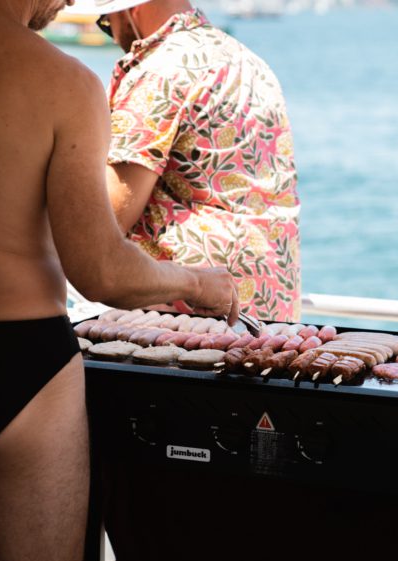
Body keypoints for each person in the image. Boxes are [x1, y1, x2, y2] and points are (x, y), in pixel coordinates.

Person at [0, 0, 238, 561]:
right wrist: (197, 283)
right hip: (21, 361)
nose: (69, 2)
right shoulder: (63, 81)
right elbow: (100, 272)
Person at [86, 0, 301, 322]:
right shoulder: (247, 61)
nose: (116, 38)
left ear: (132, 9)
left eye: (106, 22)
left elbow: (107, 218)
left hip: (190, 314)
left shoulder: (159, 71)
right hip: (271, 306)